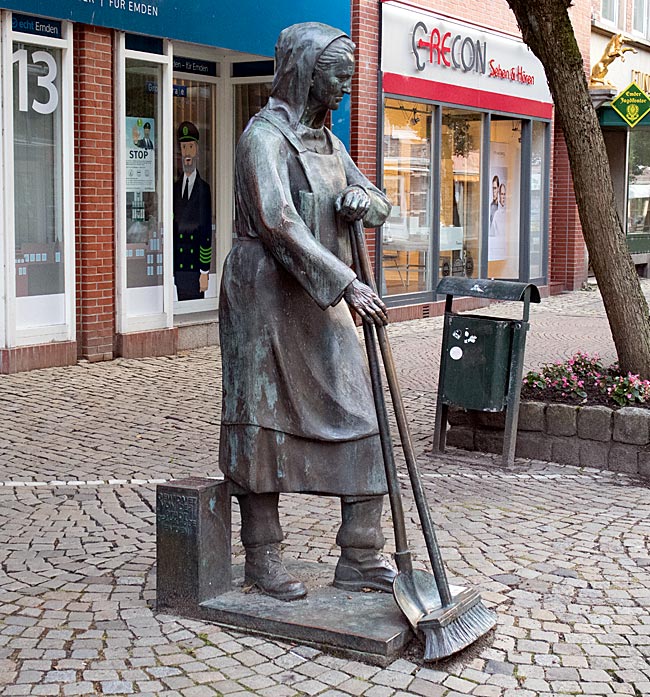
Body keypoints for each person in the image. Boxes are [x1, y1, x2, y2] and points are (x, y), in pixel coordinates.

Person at [219, 22, 396, 602]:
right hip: (267, 299)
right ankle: (262, 557)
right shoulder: (263, 137)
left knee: (364, 413)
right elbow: (277, 221)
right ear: (303, 74)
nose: (344, 88)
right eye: (337, 76)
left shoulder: (329, 142)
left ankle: (361, 555)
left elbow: (379, 201)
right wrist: (346, 283)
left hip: (315, 297)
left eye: (348, 77)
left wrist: (362, 200)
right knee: (261, 427)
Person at [173, 121, 212, 300]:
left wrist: (204, 270)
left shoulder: (203, 189)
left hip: (195, 264)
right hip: (179, 266)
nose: (187, 152)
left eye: (190, 146)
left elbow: (205, 231)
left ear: (196, 150)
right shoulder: (174, 188)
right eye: (183, 147)